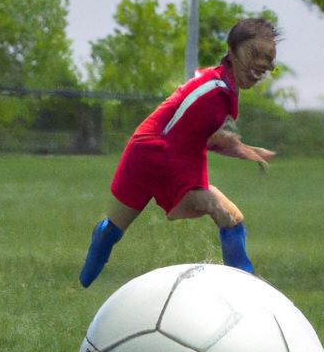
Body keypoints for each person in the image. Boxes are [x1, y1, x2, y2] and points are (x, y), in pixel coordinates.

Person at [80, 17, 279, 287]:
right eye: (254, 54)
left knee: (114, 229)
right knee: (229, 217)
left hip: (143, 151)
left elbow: (193, 129)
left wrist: (240, 148)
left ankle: (83, 279)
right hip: (164, 155)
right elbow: (184, 133)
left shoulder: (219, 85)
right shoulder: (215, 89)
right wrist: (230, 149)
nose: (259, 67)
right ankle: (246, 284)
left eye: (267, 63)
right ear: (231, 51)